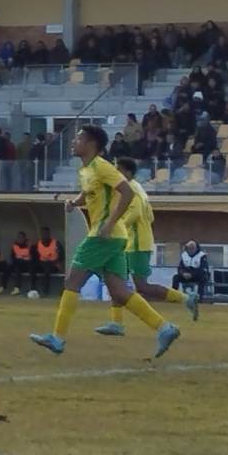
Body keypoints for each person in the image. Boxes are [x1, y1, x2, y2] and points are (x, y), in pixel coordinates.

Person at [29, 125, 179, 358]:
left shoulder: (102, 166)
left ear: (91, 144)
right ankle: (164, 327)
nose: (73, 142)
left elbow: (127, 193)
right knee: (120, 292)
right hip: (115, 238)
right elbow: (92, 193)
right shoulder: (87, 170)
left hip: (103, 235)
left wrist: (108, 224)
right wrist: (75, 202)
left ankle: (57, 338)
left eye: (78, 138)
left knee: (72, 282)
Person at [95, 158, 198, 337]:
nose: (115, 173)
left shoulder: (131, 189)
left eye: (117, 169)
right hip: (134, 242)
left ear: (127, 172)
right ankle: (116, 322)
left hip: (135, 244)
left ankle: (186, 299)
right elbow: (149, 216)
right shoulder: (138, 188)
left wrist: (113, 228)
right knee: (116, 279)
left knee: (141, 286)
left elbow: (135, 213)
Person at [32, 227, 62, 297]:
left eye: (46, 234)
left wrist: (56, 261)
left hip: (53, 265)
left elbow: (62, 255)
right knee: (33, 268)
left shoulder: (56, 243)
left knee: (47, 271)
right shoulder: (38, 244)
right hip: (42, 264)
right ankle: (33, 288)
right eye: (43, 234)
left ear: (49, 234)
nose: (44, 235)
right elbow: (35, 256)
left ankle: (45, 292)